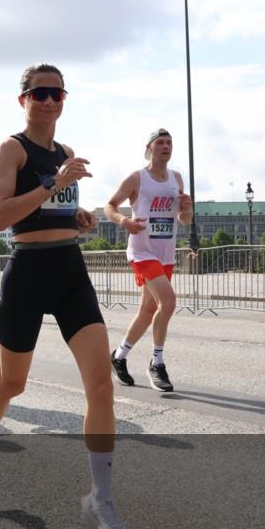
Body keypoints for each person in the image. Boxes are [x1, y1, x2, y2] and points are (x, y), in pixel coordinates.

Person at [0, 64, 135, 529]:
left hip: (69, 272)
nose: (47, 100)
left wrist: (78, 218)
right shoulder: (13, 149)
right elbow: (0, 215)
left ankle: (101, 502)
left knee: (101, 386)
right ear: (24, 99)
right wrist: (52, 184)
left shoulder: (66, 153)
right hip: (26, 274)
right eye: (38, 92)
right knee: (11, 384)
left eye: (55, 92)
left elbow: (57, 214)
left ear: (64, 99)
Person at [104, 129, 193, 392]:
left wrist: (187, 208)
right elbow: (110, 205)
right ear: (150, 148)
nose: (166, 146)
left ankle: (119, 357)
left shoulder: (176, 178)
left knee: (147, 310)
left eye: (169, 142)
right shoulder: (137, 178)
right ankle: (157, 362)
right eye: (160, 143)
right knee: (168, 302)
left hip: (166, 252)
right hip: (142, 251)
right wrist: (124, 221)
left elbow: (183, 220)